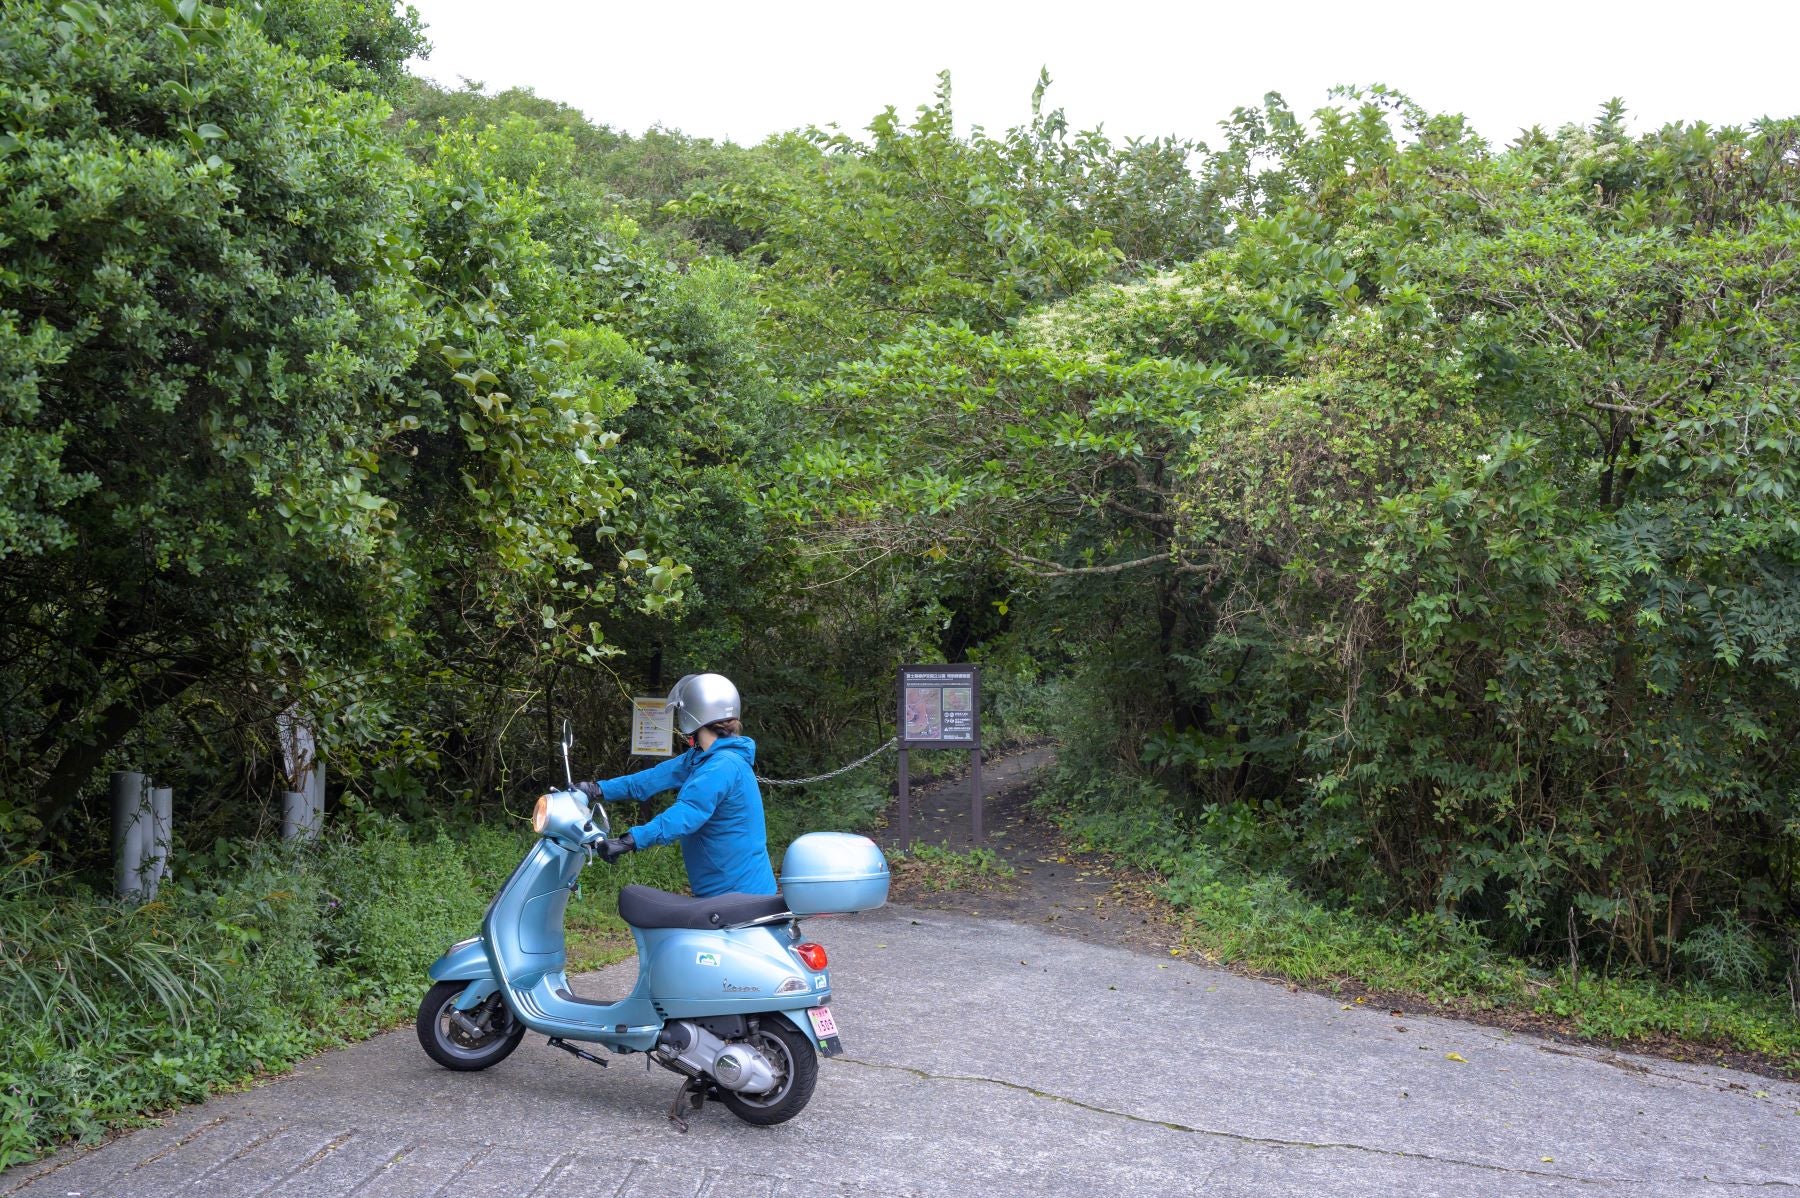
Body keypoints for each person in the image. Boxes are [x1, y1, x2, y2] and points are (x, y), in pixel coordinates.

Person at [577, 673, 777, 898]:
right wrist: (596, 789)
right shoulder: (702, 758)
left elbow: (686, 814)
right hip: (727, 891)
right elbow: (648, 779)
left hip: (737, 896)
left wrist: (629, 841)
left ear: (694, 714)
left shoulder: (721, 766)